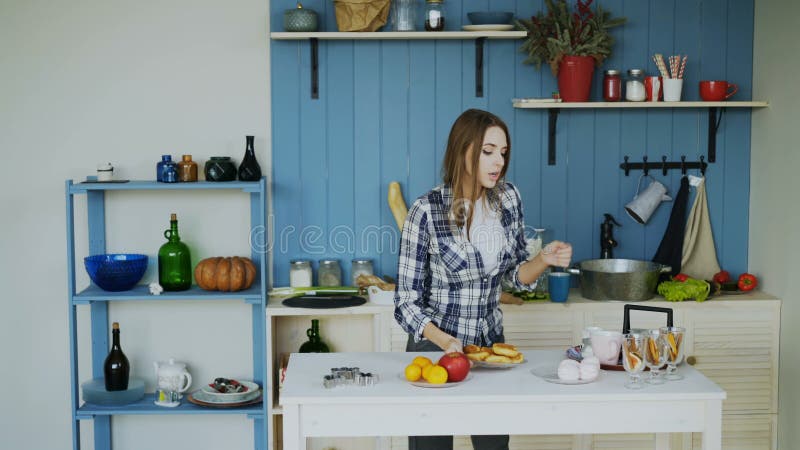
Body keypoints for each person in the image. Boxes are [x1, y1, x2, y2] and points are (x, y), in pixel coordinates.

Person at [394, 109, 573, 450]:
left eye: (503, 153)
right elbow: (406, 304)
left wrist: (543, 260)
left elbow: (514, 275)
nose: (498, 162)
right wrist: (445, 341)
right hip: (434, 352)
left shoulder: (508, 200)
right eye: (488, 151)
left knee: (493, 445)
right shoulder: (426, 211)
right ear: (463, 151)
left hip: (490, 347)